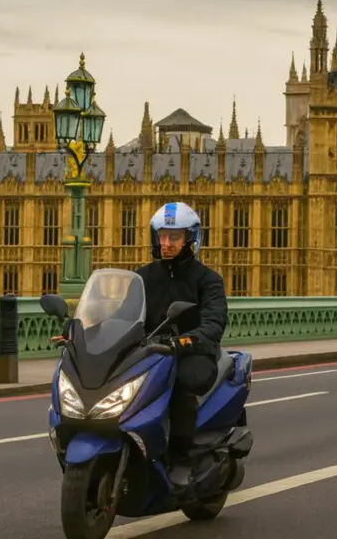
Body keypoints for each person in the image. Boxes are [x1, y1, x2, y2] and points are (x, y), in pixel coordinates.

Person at [134, 201, 228, 485]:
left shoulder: (208, 280)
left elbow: (214, 323)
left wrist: (188, 340)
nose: (166, 243)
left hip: (192, 352)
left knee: (180, 385)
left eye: (174, 237)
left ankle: (181, 456)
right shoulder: (142, 277)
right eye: (162, 236)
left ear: (191, 239)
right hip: (152, 351)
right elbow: (119, 312)